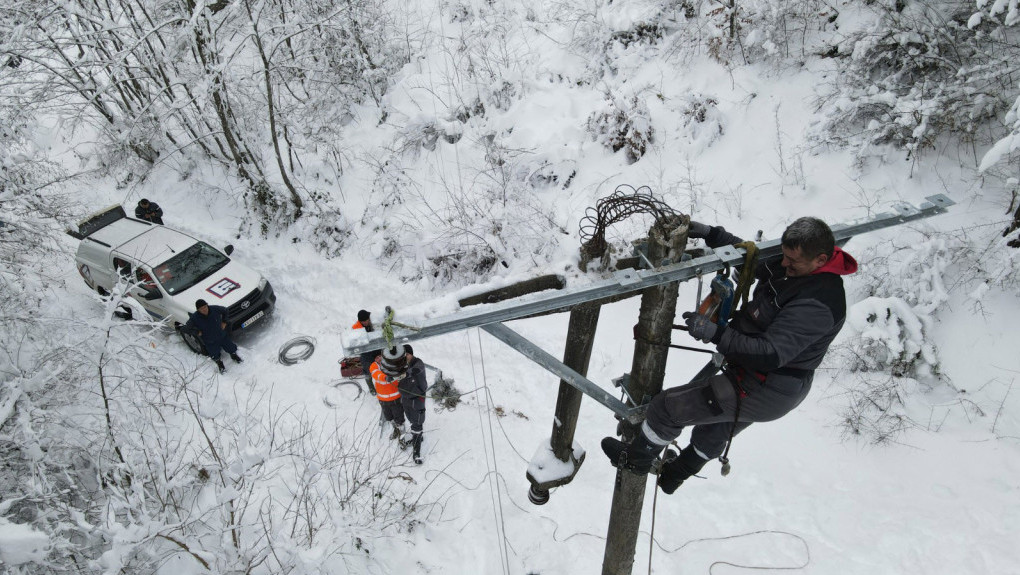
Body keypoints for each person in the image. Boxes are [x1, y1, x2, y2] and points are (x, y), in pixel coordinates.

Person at [602, 217, 857, 493]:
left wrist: (717, 334)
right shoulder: (796, 268)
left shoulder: (818, 303)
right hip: (761, 377)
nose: (784, 264)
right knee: (714, 430)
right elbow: (752, 260)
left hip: (766, 386)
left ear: (820, 260)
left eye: (792, 261)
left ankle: (635, 459)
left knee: (667, 409)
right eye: (784, 257)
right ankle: (677, 473)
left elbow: (770, 354)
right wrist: (711, 234)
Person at [186, 299, 243, 373]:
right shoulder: (195, 317)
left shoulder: (214, 309)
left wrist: (224, 321)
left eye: (205, 307)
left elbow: (225, 310)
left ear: (207, 305)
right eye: (201, 309)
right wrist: (197, 332)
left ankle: (233, 355)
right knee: (214, 353)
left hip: (222, 335)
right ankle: (219, 363)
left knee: (230, 347)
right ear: (198, 310)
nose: (204, 309)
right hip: (210, 340)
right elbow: (187, 328)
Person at [370, 345, 408, 442]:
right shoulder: (374, 366)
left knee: (399, 418)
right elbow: (376, 374)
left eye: (380, 356)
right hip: (383, 400)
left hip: (396, 399)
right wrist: (386, 377)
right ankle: (396, 430)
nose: (378, 358)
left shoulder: (391, 363)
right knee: (389, 417)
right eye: (376, 357)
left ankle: (402, 436)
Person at [399, 345, 428, 464]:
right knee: (411, 419)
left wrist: (405, 374)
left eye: (407, 354)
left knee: (417, 422)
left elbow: (416, 370)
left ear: (411, 354)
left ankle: (416, 453)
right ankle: (418, 437)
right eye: (403, 355)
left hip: (417, 398)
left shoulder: (418, 363)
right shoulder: (401, 364)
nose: (406, 357)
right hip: (406, 398)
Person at [352, 310, 382, 395]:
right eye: (363, 321)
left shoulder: (373, 321)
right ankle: (371, 386)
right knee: (367, 370)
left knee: (383, 364)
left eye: (366, 320)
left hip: (377, 347)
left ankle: (383, 382)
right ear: (360, 321)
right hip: (365, 351)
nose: (365, 322)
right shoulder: (355, 328)